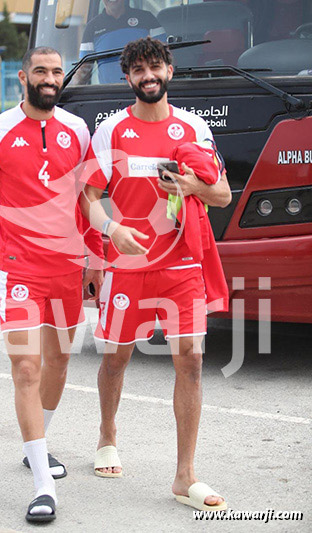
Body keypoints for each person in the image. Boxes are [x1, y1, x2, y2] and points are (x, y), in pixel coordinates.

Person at [80, 37, 232, 512]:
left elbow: (222, 194)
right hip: (129, 263)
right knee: (115, 360)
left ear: (170, 70)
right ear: (128, 78)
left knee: (191, 362)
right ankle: (107, 434)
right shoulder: (110, 131)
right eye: (138, 69)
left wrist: (190, 185)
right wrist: (110, 233)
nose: (148, 75)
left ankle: (184, 475)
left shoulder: (193, 128)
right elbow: (88, 196)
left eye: (155, 66)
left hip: (183, 263)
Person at [0, 46, 103, 523]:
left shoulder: (77, 130)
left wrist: (94, 260)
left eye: (57, 71)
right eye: (40, 70)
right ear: (23, 76)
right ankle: (43, 487)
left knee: (59, 361)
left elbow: (86, 201)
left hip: (67, 270)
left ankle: (35, 446)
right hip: (20, 271)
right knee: (26, 368)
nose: (49, 78)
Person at [75, 0, 166, 84]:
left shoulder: (147, 19)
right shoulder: (91, 28)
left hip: (145, 91)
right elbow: (84, 70)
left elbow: (164, 57)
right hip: (111, 95)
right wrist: (66, 91)